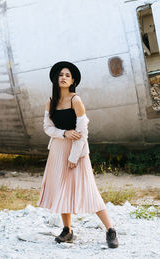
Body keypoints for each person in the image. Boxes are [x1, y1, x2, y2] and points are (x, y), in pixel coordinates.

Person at [37, 61, 119, 248]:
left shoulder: (76, 100)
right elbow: (47, 127)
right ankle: (67, 230)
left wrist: (74, 157)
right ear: (56, 79)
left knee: (89, 189)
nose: (63, 78)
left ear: (73, 80)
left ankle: (110, 230)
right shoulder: (50, 102)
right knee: (60, 188)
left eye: (67, 75)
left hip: (77, 151)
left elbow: (83, 130)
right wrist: (63, 133)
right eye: (61, 75)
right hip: (57, 150)